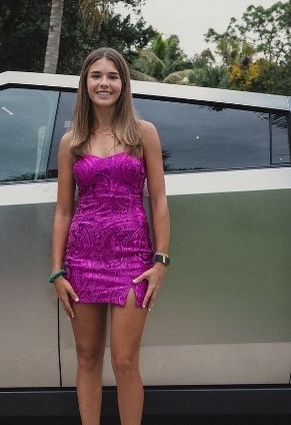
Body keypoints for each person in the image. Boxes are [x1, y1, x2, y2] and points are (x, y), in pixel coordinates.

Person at [49, 47, 170, 425]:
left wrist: (160, 261)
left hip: (133, 260)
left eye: (113, 76)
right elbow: (64, 210)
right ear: (85, 83)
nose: (104, 83)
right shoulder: (71, 141)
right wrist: (57, 271)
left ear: (123, 83)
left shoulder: (143, 133)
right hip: (82, 261)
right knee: (87, 358)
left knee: (124, 360)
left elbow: (160, 201)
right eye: (96, 75)